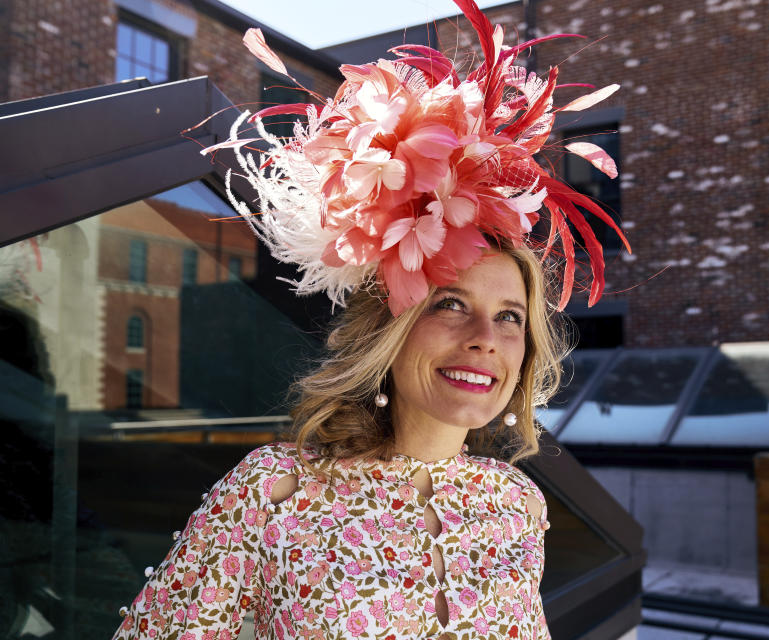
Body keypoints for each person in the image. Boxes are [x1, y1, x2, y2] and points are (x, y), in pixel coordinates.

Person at [115, 1, 628, 638]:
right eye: (451, 304)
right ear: (390, 328)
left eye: (510, 318)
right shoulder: (274, 493)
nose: (485, 341)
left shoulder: (515, 504)